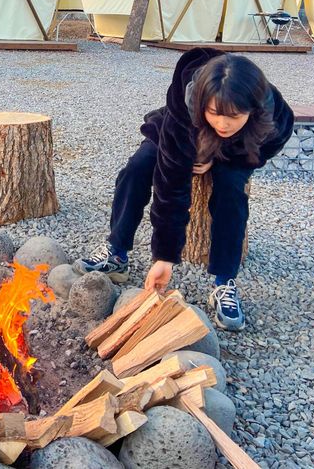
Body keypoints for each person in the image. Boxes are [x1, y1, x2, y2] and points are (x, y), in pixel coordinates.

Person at [75, 47, 294, 331]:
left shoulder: (271, 110)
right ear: (203, 103)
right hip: (181, 130)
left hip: (237, 149)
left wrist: (218, 156)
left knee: (232, 192)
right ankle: (116, 251)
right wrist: (164, 256)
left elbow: (275, 140)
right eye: (216, 113)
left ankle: (223, 281)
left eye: (234, 115)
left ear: (252, 111)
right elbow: (171, 185)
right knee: (137, 167)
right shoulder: (187, 97)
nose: (224, 123)